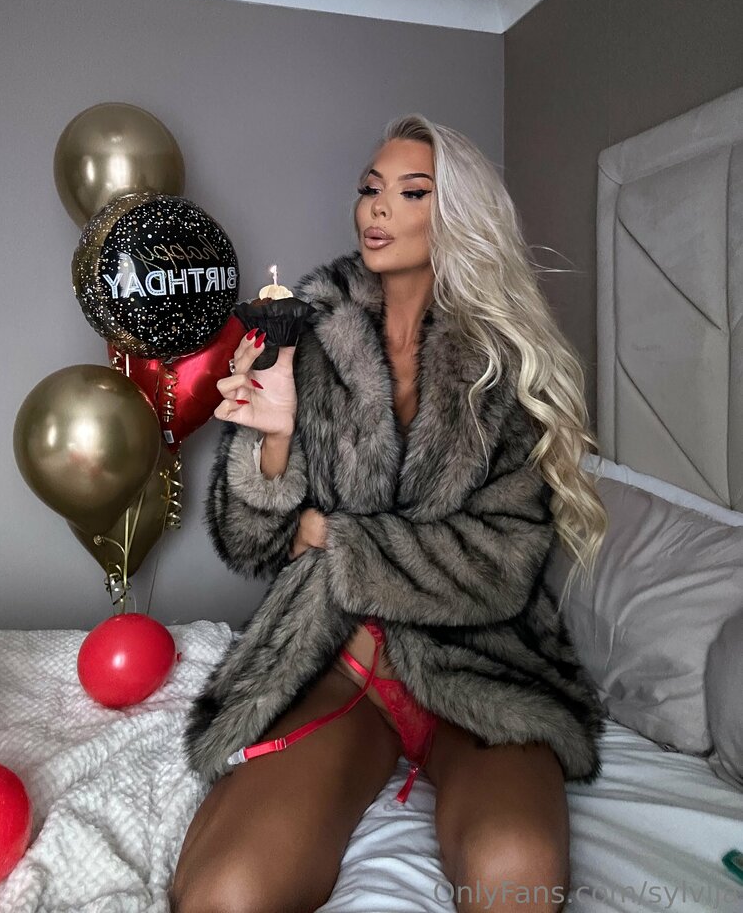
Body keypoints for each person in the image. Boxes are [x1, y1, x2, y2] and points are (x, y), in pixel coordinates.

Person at [170, 115, 608, 913]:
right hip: (338, 662)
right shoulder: (307, 336)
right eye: (370, 188)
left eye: (411, 192)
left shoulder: (505, 368)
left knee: (515, 871)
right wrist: (273, 437)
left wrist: (337, 541)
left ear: (457, 216)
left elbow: (502, 565)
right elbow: (251, 540)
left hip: (483, 667)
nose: (377, 206)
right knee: (226, 893)